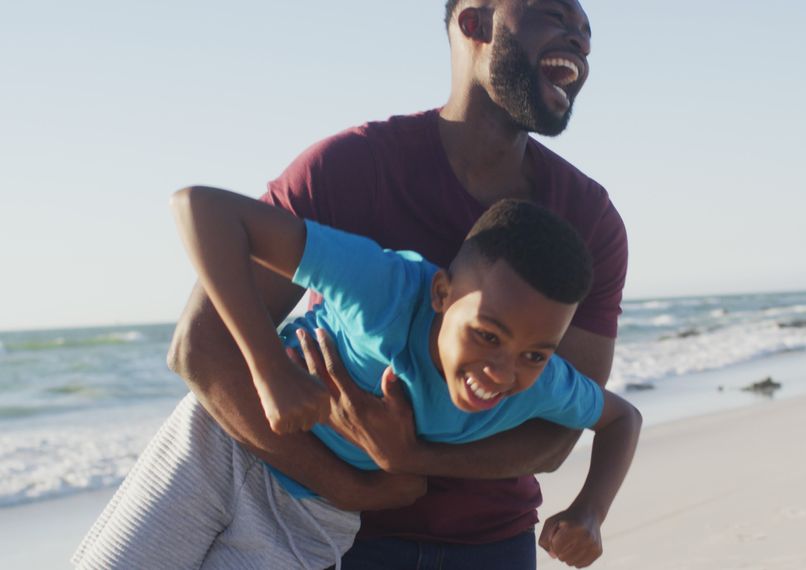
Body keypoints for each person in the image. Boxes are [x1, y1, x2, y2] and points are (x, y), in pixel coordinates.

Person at [167, 0, 626, 567]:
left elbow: (558, 433)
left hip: (493, 540)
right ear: (474, 24)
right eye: (554, 15)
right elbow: (202, 347)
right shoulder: (352, 168)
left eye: (586, 31)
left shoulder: (588, 219)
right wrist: (347, 486)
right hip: (329, 531)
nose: (579, 38)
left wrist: (408, 457)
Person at [73, 191, 640, 570]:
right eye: (487, 335)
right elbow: (199, 207)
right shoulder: (384, 288)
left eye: (535, 353)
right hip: (220, 444)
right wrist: (270, 369)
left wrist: (590, 510)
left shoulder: (539, 385)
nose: (502, 371)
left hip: (311, 517)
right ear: (442, 294)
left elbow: (621, 419)